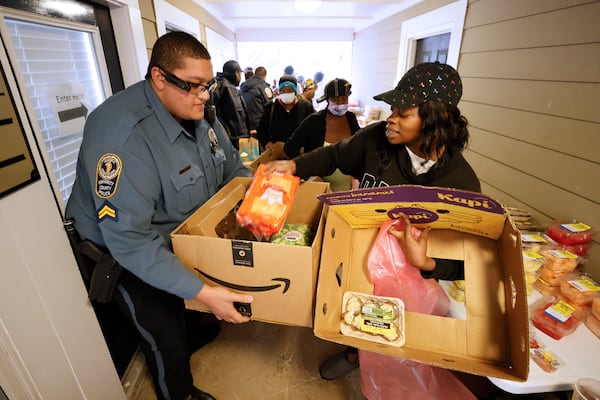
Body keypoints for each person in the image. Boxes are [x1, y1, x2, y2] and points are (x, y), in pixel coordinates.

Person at [65, 31, 254, 400]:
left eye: (209, 84)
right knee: (163, 332)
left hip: (176, 233)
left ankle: (190, 327)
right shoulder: (121, 138)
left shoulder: (199, 112)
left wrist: (255, 199)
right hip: (123, 250)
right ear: (159, 78)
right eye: (194, 86)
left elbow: (232, 169)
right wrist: (206, 294)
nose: (205, 95)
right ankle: (178, 393)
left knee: (188, 312)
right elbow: (132, 242)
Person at [265, 62, 480, 381]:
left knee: (391, 334)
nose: (389, 119)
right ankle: (354, 353)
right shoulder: (376, 139)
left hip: (410, 278)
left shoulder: (460, 184)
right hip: (360, 255)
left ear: (436, 121)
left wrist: (428, 261)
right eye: (392, 109)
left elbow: (468, 261)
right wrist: (292, 166)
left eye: (402, 113)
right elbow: (334, 155)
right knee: (354, 312)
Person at [285, 78, 360, 191]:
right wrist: (308, 171)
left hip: (346, 189)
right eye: (335, 99)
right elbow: (290, 148)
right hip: (318, 190)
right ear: (327, 100)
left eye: (343, 99)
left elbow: (359, 146)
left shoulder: (351, 119)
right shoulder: (314, 121)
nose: (340, 103)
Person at [256, 74, 315, 151]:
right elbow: (261, 130)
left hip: (301, 155)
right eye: (283, 90)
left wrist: (308, 146)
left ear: (295, 91)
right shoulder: (271, 107)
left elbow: (314, 129)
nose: (286, 93)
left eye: (290, 90)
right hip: (277, 153)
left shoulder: (306, 106)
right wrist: (267, 142)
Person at [211, 60, 250, 149]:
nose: (240, 77)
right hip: (231, 138)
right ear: (236, 74)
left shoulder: (226, 86)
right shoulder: (224, 86)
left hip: (233, 136)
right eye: (240, 74)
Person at [240, 66, 273, 136]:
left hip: (245, 125)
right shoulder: (264, 87)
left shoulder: (243, 86)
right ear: (265, 76)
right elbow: (270, 106)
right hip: (260, 126)